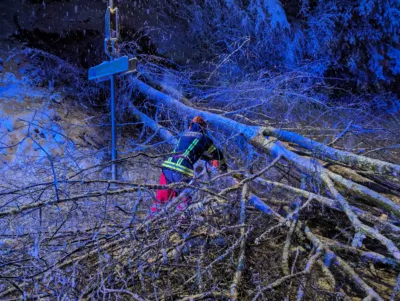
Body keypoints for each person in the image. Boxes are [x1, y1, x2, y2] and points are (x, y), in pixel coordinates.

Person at [151, 116, 227, 214]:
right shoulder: (204, 138)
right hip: (182, 171)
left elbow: (189, 151)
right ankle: (181, 223)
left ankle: (151, 219)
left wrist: (204, 157)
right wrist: (224, 167)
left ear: (191, 125)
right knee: (184, 200)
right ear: (203, 128)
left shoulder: (183, 135)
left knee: (161, 197)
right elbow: (217, 153)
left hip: (167, 168)